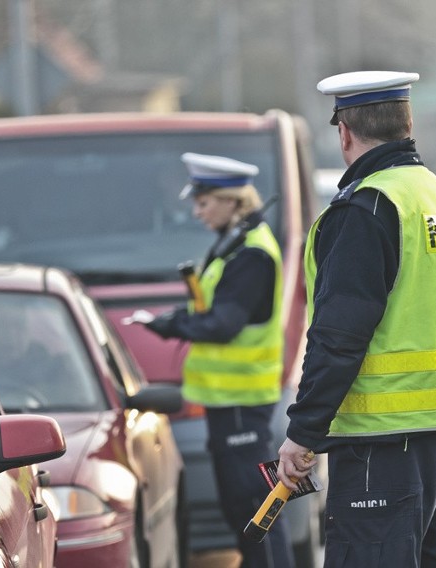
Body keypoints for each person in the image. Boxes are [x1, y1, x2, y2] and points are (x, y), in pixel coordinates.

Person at [277, 71, 436, 567]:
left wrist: (303, 432)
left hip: (382, 441)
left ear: (345, 133)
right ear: (407, 123)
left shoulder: (366, 208)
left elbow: (338, 336)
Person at [142, 152, 294, 568]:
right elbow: (214, 311)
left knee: (256, 506)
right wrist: (173, 320)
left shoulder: (251, 254)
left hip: (243, 401)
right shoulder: (236, 246)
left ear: (231, 200)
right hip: (230, 402)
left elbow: (223, 324)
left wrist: (169, 326)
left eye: (204, 202)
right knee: (241, 506)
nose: (197, 211)